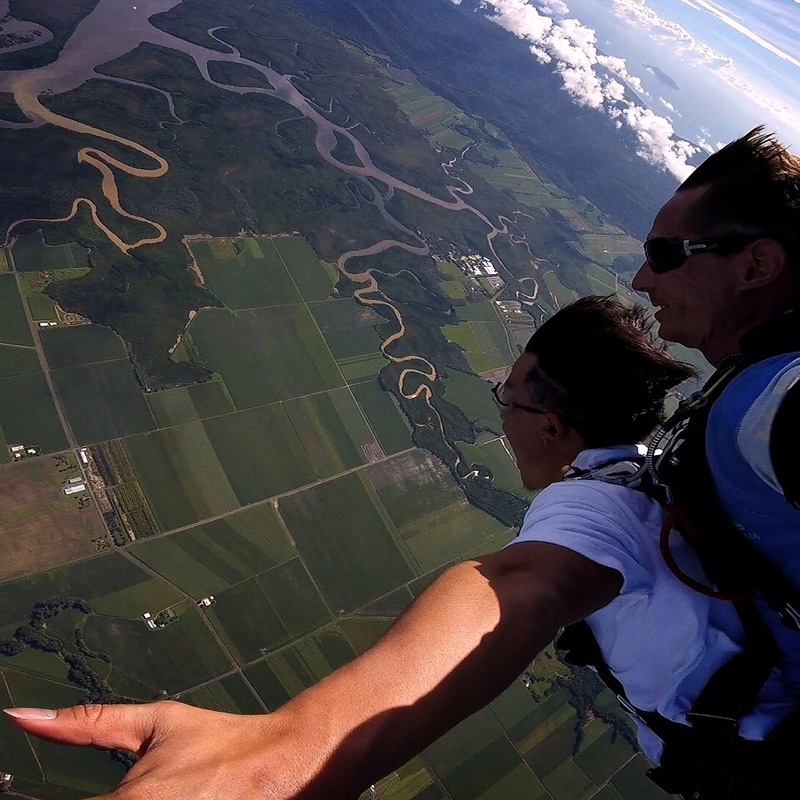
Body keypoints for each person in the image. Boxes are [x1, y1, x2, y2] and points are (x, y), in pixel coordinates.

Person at [6, 296, 784, 800]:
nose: (500, 415)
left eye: (505, 397)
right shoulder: (646, 478)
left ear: (549, 425)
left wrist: (282, 757)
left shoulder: (593, 508)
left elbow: (522, 585)